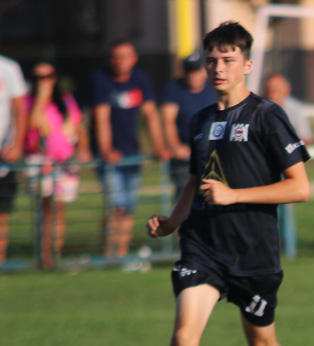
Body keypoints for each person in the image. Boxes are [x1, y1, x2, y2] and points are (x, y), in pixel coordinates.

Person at [142, 21, 310, 346]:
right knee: (183, 336)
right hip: (203, 248)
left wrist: (236, 196)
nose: (218, 67)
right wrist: (174, 221)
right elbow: (196, 182)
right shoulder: (199, 121)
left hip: (253, 255)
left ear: (248, 64)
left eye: (229, 58)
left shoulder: (267, 117)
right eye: (212, 59)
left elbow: (301, 187)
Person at [90, 40, 169, 260]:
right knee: (117, 206)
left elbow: (151, 115)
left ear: (134, 58)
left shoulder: (140, 79)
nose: (120, 61)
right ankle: (108, 253)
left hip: (132, 153)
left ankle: (120, 254)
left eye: (125, 56)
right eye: (116, 56)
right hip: (110, 156)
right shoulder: (100, 79)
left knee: (129, 207)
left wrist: (159, 146)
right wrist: (106, 150)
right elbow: (101, 118)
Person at [24, 62, 92, 269]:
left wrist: (83, 148)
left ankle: (56, 254)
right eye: (38, 78)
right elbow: (31, 125)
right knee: (44, 209)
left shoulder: (66, 100)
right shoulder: (28, 101)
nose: (43, 82)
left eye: (47, 77)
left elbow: (78, 127)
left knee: (59, 209)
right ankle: (44, 256)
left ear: (55, 78)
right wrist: (42, 97)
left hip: (64, 163)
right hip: (40, 162)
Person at [160, 51, 217, 199]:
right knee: (185, 200)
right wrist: (175, 146)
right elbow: (168, 120)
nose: (193, 75)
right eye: (189, 71)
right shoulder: (173, 88)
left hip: (212, 154)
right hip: (185, 157)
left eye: (196, 70)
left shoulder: (214, 87)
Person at [0, 52, 26, 265]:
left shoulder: (8, 67)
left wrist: (17, 144)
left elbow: (19, 109)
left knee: (2, 213)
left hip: (3, 158)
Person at [264, 74, 314, 144]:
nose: (272, 95)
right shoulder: (257, 109)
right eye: (269, 90)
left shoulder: (295, 108)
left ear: (287, 90)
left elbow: (305, 137)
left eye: (276, 90)